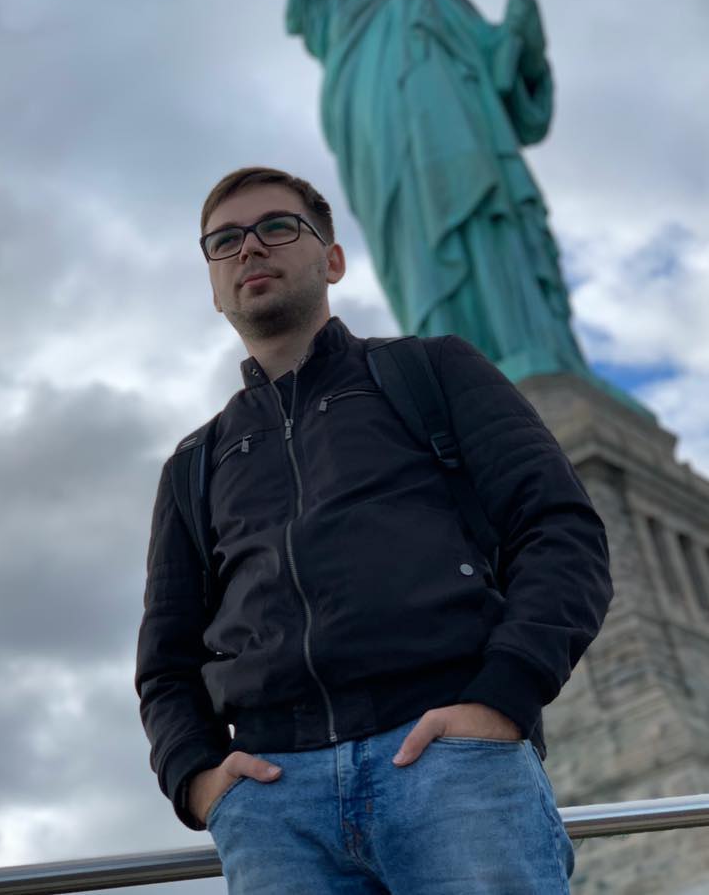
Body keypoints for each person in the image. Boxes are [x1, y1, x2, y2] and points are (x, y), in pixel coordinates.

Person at [136, 166, 612, 894]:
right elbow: (166, 662)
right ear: (214, 285)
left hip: (450, 767)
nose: (249, 248)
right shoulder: (194, 463)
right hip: (275, 805)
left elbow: (560, 530)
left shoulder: (433, 371)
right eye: (224, 241)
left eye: (276, 227)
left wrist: (502, 696)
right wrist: (198, 779)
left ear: (331, 260)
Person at [254, 0, 596, 389]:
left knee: (492, 228)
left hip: (472, 146)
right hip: (391, 166)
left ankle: (531, 348)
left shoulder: (444, 1)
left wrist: (523, 38)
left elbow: (509, 81)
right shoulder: (336, 10)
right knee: (422, 261)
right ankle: (458, 378)